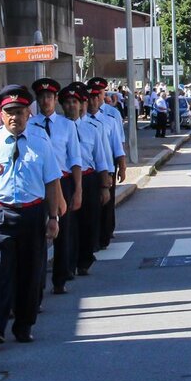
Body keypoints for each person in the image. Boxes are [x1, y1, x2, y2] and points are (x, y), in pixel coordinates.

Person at [0, 85, 61, 344]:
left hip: (32, 213)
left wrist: (53, 218)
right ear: (1, 115)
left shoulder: (41, 143)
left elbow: (52, 183)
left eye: (19, 112)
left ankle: (24, 324)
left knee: (30, 274)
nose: (14, 117)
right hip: (0, 213)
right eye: (9, 112)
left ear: (28, 113)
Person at [29, 78, 82, 295]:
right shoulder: (30, 126)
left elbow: (75, 159)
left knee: (63, 232)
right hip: (38, 184)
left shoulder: (66, 125)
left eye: (49, 97)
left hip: (63, 181)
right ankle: (37, 284)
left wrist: (78, 190)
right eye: (41, 97)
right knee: (38, 236)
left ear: (55, 100)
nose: (45, 101)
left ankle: (60, 278)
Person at [72, 82, 114, 277]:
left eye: (78, 102)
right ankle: (67, 264)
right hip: (66, 179)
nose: (74, 106)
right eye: (69, 102)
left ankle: (84, 260)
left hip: (89, 178)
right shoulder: (60, 128)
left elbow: (101, 158)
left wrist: (105, 185)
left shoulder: (93, 128)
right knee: (68, 225)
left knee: (88, 222)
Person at [85, 78, 127, 250]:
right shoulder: (82, 119)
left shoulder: (110, 115)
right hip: (90, 168)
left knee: (106, 202)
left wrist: (122, 165)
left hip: (108, 163)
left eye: (99, 94)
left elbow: (118, 142)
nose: (95, 99)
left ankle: (105, 232)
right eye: (92, 96)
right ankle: (94, 236)